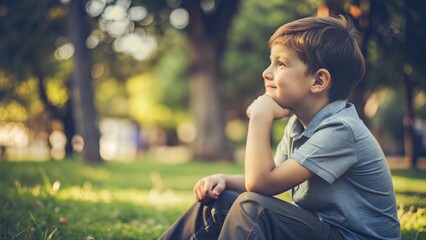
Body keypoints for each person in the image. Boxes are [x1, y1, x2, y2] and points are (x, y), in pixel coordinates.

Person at [158, 15, 400, 240]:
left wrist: (260, 117)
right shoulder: (298, 124)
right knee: (221, 201)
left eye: (281, 64)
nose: (266, 72)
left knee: (251, 207)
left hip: (354, 237)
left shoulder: (341, 130)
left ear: (318, 81)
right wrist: (223, 179)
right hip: (326, 230)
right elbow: (270, 176)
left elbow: (261, 185)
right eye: (270, 62)